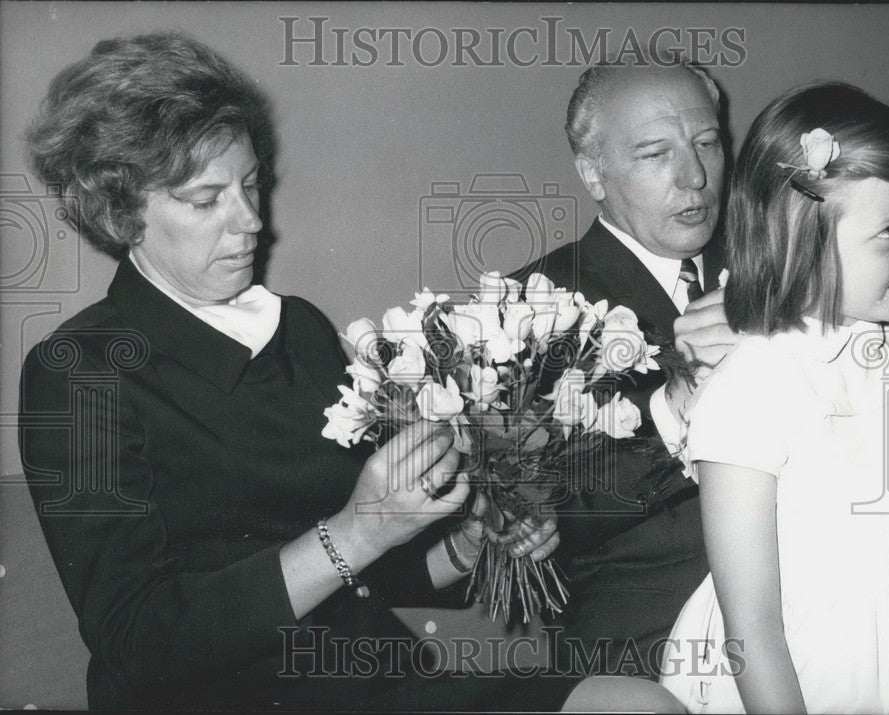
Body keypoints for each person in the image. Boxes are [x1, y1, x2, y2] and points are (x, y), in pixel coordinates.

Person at [17, 33, 558, 710]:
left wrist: (464, 547)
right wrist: (357, 529)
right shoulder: (79, 372)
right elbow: (138, 641)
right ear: (122, 214)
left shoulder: (296, 327)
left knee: (625, 700)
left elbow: (363, 574)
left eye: (250, 186)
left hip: (376, 680)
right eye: (205, 198)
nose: (251, 221)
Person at [654, 82, 889, 713]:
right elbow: (751, 619)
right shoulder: (752, 389)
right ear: (798, 238)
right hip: (808, 655)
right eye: (888, 230)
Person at [512, 58, 738, 680]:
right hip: (649, 647)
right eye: (654, 153)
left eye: (707, 144)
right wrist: (673, 406)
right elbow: (543, 513)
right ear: (593, 173)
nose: (695, 178)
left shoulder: (776, 272)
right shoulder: (530, 309)